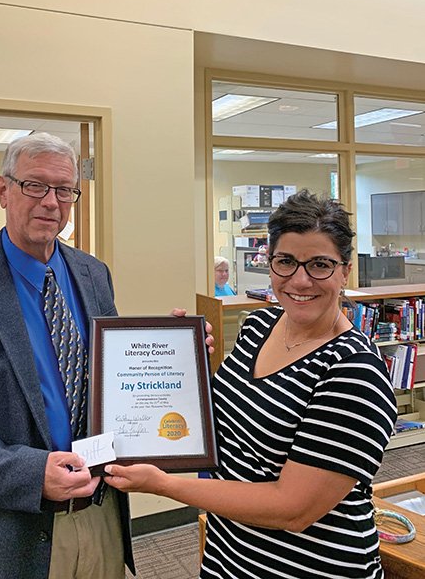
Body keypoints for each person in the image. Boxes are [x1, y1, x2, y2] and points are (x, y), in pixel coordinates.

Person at [0, 132, 209, 579]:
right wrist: (29, 473)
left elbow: (112, 380)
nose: (51, 202)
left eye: (64, 190)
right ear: (3, 190)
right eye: (34, 185)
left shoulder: (93, 275)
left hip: (102, 512)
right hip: (11, 533)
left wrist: (176, 354)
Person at [104, 190, 398, 579]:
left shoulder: (354, 371)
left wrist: (162, 485)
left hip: (310, 568)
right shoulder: (258, 327)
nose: (301, 279)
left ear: (345, 271)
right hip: (230, 557)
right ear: (270, 264)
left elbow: (293, 508)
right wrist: (176, 357)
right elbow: (231, 421)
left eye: (321, 265)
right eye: (286, 262)